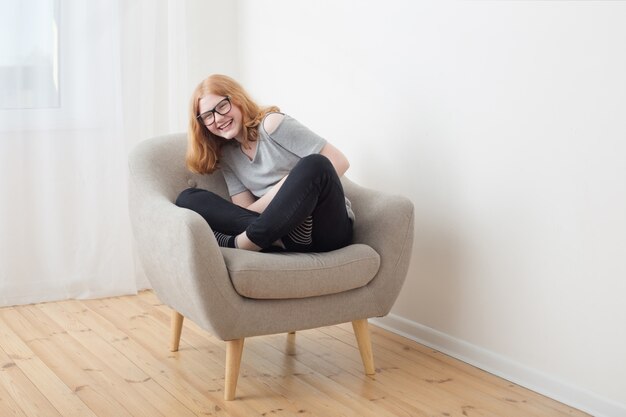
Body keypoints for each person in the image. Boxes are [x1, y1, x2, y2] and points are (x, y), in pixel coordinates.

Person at [175, 74, 354, 253]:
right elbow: (244, 212)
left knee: (316, 164)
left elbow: (339, 161)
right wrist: (280, 214)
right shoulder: (227, 155)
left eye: (222, 106)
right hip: (282, 229)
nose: (218, 118)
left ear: (238, 100)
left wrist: (288, 188)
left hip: (327, 229)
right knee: (188, 198)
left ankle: (242, 243)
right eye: (208, 116)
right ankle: (278, 237)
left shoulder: (272, 125)